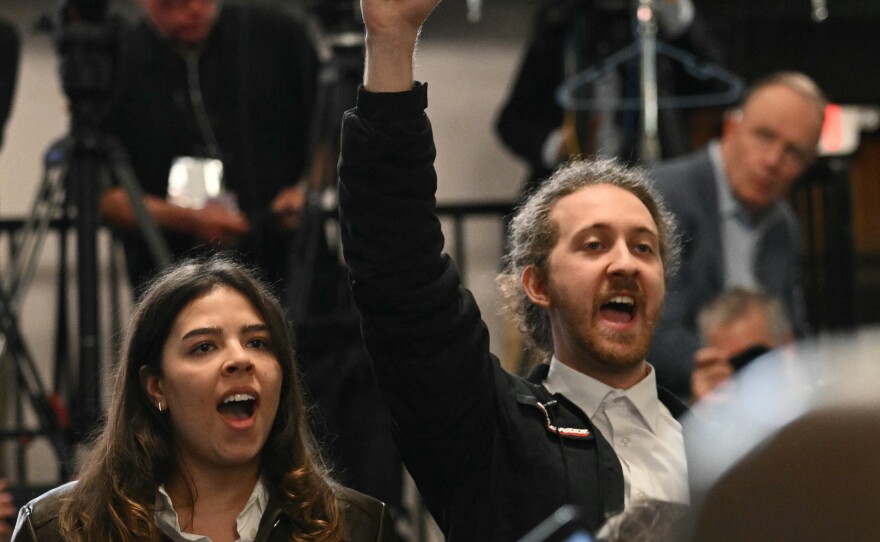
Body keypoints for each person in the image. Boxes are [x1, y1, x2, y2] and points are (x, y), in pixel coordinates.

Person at [337, 0, 692, 538]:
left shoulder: (720, 445)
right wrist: (390, 40)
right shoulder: (490, 433)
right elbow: (398, 269)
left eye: (644, 248)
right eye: (594, 245)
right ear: (537, 283)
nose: (625, 263)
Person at [10, 256, 395, 541]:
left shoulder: (355, 526)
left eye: (257, 342)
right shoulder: (58, 529)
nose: (240, 359)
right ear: (156, 386)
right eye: (204, 347)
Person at [100, 0, 317, 296]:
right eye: (173, 3)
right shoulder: (115, 62)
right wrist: (189, 219)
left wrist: (308, 188)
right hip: (171, 275)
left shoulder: (277, 35)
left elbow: (331, 130)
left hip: (289, 262)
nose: (193, 10)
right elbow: (103, 199)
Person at [647, 71, 827, 400]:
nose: (773, 161)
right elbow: (649, 333)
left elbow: (792, 331)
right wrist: (744, 372)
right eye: (764, 136)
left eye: (794, 153)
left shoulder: (783, 224)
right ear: (731, 128)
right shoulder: (664, 196)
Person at [495, 0, 726, 196]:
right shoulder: (563, 24)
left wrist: (679, 20)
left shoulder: (667, 23)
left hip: (659, 182)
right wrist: (558, 145)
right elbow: (512, 121)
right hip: (573, 187)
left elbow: (720, 88)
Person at [690, 287, 793, 402]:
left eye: (752, 357)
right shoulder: (714, 404)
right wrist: (702, 408)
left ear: (787, 346)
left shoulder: (808, 400)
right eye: (734, 363)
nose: (745, 376)